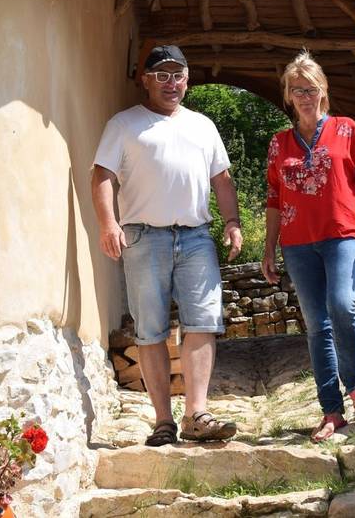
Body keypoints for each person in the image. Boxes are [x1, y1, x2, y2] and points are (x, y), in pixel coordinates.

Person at [91, 45, 243, 446]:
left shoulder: (203, 125)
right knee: (150, 330)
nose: (170, 83)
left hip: (195, 236)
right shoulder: (123, 125)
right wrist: (108, 223)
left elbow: (222, 180)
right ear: (145, 80)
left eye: (177, 75)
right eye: (161, 75)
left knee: (203, 323)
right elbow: (102, 176)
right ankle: (163, 421)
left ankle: (197, 413)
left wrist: (232, 223)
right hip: (142, 235)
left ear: (187, 79)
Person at [262, 50, 355, 442]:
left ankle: (354, 381)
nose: (304, 96)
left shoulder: (346, 129)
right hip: (298, 243)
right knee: (316, 325)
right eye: (296, 89)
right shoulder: (279, 143)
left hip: (343, 234)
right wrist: (269, 248)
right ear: (288, 95)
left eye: (311, 88)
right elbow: (274, 196)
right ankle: (331, 410)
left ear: (323, 91)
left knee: (342, 303)